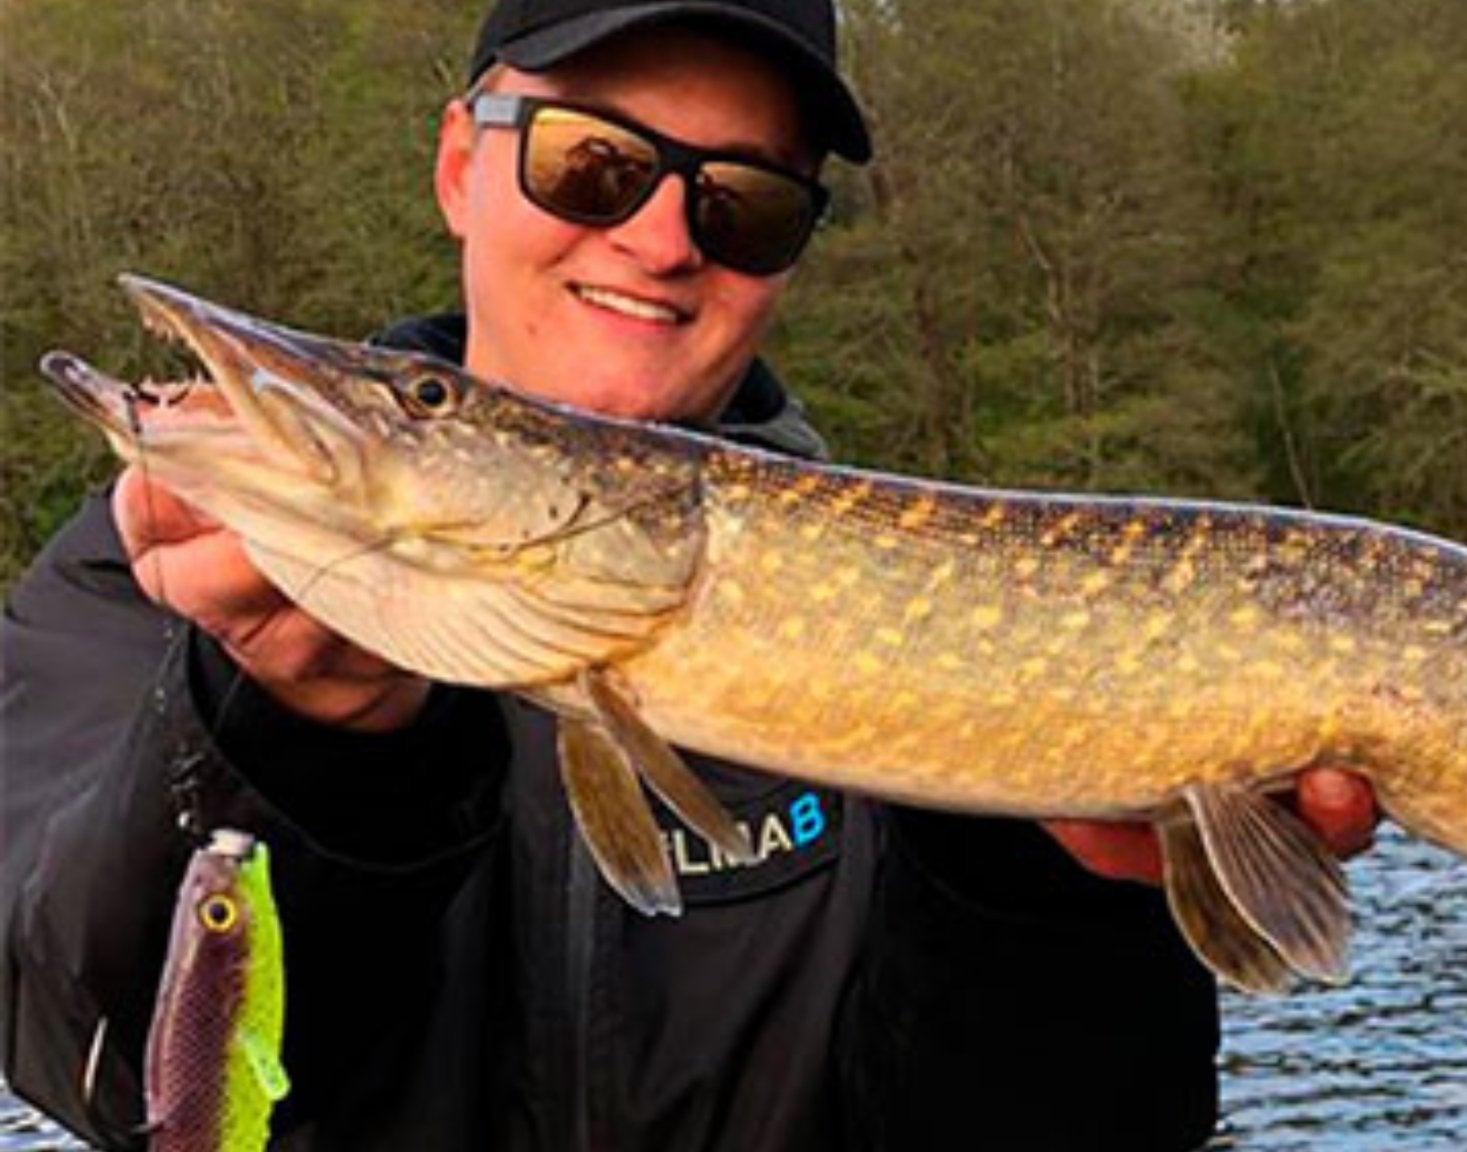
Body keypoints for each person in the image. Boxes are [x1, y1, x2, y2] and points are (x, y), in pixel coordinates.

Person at [0, 1, 1381, 1148]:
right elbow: (96, 1057)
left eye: (746, 203)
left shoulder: (901, 588)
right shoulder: (159, 577)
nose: (662, 239)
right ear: (459, 168)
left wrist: (1044, 895)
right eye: (590, 160)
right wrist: (285, 753)